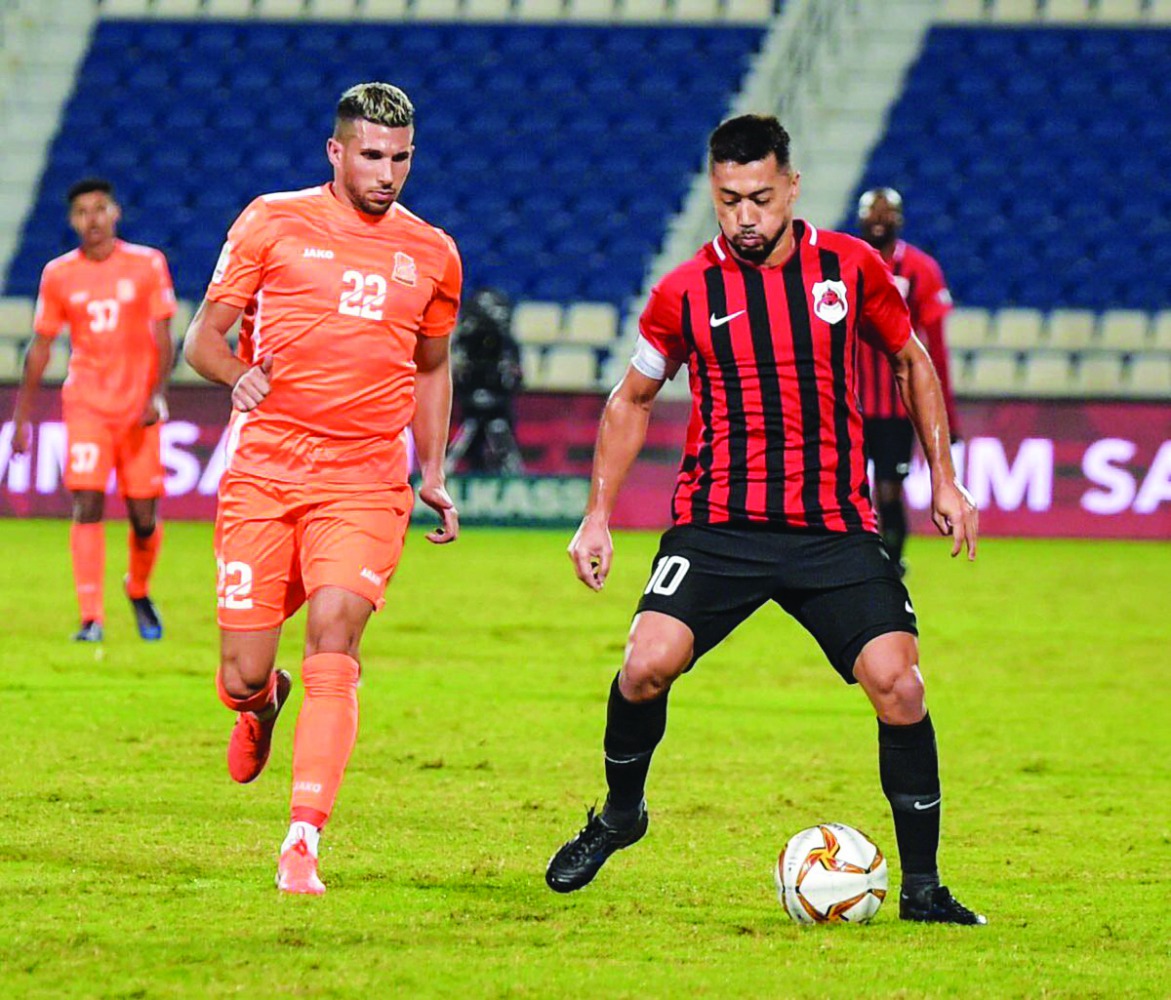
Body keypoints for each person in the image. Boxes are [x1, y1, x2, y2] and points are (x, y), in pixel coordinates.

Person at [545, 115, 985, 925]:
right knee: (645, 665)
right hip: (717, 524)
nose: (744, 217)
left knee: (899, 686)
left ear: (789, 187)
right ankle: (618, 814)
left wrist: (945, 479)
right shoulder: (684, 290)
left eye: (757, 198)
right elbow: (632, 398)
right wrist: (596, 515)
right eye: (726, 201)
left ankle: (921, 888)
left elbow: (910, 358)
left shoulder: (848, 269)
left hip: (832, 527)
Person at [183, 82, 461, 895]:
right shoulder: (271, 220)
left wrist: (433, 468)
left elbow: (433, 365)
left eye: (400, 157)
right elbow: (201, 337)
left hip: (367, 478)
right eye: (371, 155)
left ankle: (302, 839)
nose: (387, 172)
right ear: (335, 152)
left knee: (336, 638)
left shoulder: (434, 252)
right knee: (239, 673)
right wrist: (236, 375)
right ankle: (263, 702)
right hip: (266, 474)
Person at [10, 178, 175, 642]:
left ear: (115, 213)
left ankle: (138, 589)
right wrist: (22, 420)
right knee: (86, 502)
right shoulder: (59, 274)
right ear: (72, 220)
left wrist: (157, 393)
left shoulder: (147, 264)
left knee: (144, 518)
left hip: (138, 407)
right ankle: (91, 617)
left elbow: (164, 336)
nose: (92, 219)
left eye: (100, 209)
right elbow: (40, 347)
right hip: (86, 405)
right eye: (82, 212)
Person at [856, 187, 959, 577]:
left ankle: (891, 565)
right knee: (845, 491)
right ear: (860, 217)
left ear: (900, 218)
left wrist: (946, 414)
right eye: (873, 211)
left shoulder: (920, 268)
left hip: (897, 407)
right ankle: (849, 564)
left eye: (888, 212)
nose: (880, 219)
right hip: (848, 402)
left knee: (888, 490)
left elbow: (936, 346)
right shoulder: (839, 263)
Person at [445, 286, 524, 474]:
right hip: (470, 407)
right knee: (471, 448)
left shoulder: (507, 344)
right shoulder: (464, 341)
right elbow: (454, 373)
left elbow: (517, 378)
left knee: (503, 449)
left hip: (500, 409)